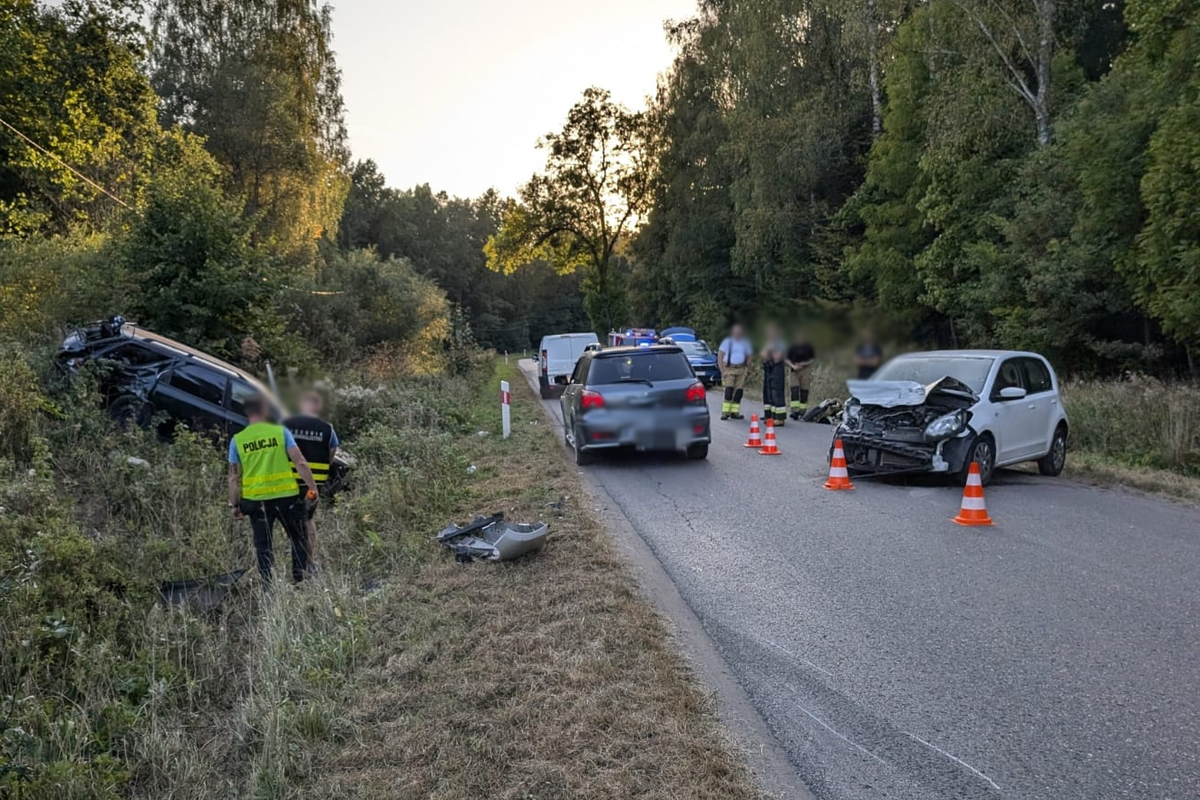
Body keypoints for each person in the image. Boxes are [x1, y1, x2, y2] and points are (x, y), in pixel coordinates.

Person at [228, 395, 318, 585]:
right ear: (265, 410)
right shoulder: (280, 432)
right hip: (287, 498)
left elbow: (233, 477)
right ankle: (299, 580)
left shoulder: (237, 440)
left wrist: (235, 504)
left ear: (247, 412)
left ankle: (269, 585)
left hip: (256, 502)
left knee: (263, 546)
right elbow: (299, 461)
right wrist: (312, 487)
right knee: (298, 538)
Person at [285, 392, 339, 571]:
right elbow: (331, 455)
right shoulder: (328, 429)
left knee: (288, 520)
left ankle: (295, 563)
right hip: (313, 486)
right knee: (307, 521)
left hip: (288, 482)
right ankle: (307, 562)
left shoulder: (287, 424)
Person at [718, 324, 754, 420]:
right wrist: (722, 371)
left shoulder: (745, 343)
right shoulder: (727, 342)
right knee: (729, 390)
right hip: (729, 368)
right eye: (736, 332)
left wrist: (749, 368)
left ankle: (735, 412)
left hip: (741, 369)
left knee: (738, 391)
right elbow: (720, 356)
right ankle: (725, 412)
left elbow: (750, 355)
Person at [786, 333, 816, 420]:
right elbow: (786, 359)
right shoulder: (792, 347)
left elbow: (812, 359)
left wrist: (804, 364)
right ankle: (794, 411)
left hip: (805, 370)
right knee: (794, 390)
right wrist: (792, 366)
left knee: (804, 392)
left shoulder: (808, 348)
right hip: (794, 371)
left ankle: (802, 411)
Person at [762, 346, 788, 427]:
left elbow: (777, 357)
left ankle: (780, 419)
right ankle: (774, 417)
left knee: (777, 394)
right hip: (771, 369)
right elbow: (763, 355)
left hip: (778, 369)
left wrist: (769, 351)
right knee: (772, 394)